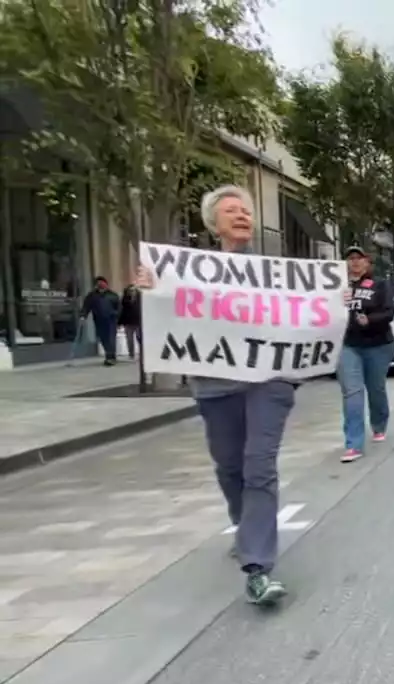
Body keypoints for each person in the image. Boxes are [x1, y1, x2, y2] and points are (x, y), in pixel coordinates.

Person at [134, 184, 295, 607]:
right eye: (231, 209)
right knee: (230, 468)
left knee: (259, 467)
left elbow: (303, 314)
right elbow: (166, 314)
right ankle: (245, 525)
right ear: (212, 222)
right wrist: (150, 288)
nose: (241, 214)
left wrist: (335, 301)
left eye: (246, 209)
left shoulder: (276, 272)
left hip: (267, 383)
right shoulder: (185, 270)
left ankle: (258, 567)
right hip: (214, 384)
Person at [338, 246, 394, 463]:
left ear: (367, 262)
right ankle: (353, 444)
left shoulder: (380, 284)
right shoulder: (338, 285)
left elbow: (390, 311)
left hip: (378, 345)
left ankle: (379, 423)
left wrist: (370, 320)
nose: (354, 262)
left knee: (375, 388)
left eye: (358, 258)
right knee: (352, 392)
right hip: (347, 345)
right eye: (350, 258)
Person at [80, 276, 120, 365]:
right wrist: (83, 316)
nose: (100, 285)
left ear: (106, 284)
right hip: (99, 320)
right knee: (103, 339)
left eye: (102, 282)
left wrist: (118, 317)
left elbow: (119, 308)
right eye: (98, 283)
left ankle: (110, 358)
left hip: (111, 320)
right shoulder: (92, 296)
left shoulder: (112, 295)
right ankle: (110, 356)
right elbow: (86, 307)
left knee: (111, 338)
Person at [119, 282, 142, 361]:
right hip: (128, 322)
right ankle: (131, 354)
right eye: (130, 290)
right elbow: (122, 311)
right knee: (129, 339)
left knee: (140, 338)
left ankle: (142, 353)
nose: (132, 292)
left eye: (133, 290)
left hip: (138, 321)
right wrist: (120, 322)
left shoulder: (140, 298)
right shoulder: (125, 299)